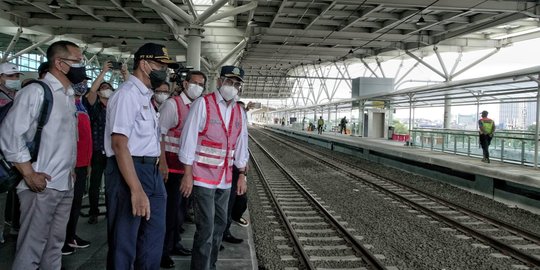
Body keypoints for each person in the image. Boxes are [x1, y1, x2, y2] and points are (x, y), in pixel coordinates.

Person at [0, 40, 82, 270]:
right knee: (32, 246)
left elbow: (62, 139)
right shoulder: (36, 92)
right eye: (77, 61)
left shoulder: (67, 94)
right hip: (41, 184)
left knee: (54, 245)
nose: (81, 66)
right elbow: (10, 134)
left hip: (63, 183)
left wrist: (70, 170)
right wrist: (28, 173)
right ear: (59, 63)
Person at [104, 42, 178, 269]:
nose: (164, 72)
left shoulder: (146, 97)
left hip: (151, 171)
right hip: (130, 170)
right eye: (159, 65)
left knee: (153, 236)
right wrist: (136, 189)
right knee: (125, 239)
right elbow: (119, 144)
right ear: (144, 65)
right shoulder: (127, 95)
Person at [179, 65, 249, 270]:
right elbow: (188, 139)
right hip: (202, 177)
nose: (232, 87)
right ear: (219, 82)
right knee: (206, 227)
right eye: (229, 81)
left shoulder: (239, 111)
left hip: (225, 180)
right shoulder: (203, 104)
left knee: (219, 225)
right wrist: (187, 175)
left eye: (237, 84)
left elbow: (242, 144)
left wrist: (242, 174)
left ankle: (211, 265)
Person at [158, 71, 206, 268]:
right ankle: (162, 252)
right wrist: (162, 163)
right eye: (194, 83)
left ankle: (174, 243)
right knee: (169, 213)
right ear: (185, 84)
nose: (198, 87)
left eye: (201, 84)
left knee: (180, 213)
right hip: (171, 169)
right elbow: (159, 134)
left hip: (186, 170)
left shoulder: (198, 106)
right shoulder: (172, 105)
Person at [85, 61, 128, 224]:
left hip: (114, 151)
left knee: (113, 184)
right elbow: (92, 91)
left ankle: (112, 210)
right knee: (95, 184)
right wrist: (103, 73)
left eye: (108, 87)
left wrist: (124, 74)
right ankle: (93, 211)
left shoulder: (117, 104)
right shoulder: (94, 106)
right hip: (97, 150)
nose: (106, 90)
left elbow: (128, 89)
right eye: (103, 88)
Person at [62, 80, 92, 255]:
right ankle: (62, 239)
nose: (82, 85)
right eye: (79, 82)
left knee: (76, 203)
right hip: (71, 164)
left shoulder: (81, 104)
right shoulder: (68, 106)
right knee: (66, 205)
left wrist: (88, 163)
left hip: (82, 163)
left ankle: (70, 235)